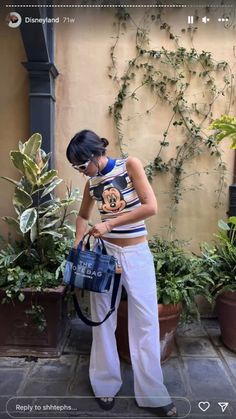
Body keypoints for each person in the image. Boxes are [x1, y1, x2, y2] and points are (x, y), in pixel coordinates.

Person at [66, 129, 178, 417]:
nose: (81, 173)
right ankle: (104, 384)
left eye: (81, 165)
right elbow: (81, 216)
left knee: (146, 320)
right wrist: (79, 245)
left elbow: (150, 206)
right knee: (102, 320)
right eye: (76, 168)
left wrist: (109, 224)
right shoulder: (93, 183)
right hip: (104, 256)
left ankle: (153, 394)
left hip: (136, 253)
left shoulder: (130, 166)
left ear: (94, 156)